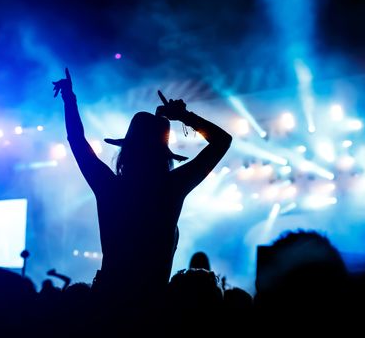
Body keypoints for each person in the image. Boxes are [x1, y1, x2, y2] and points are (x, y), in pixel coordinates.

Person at [53, 69, 232, 305]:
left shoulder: (109, 186)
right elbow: (222, 141)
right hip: (151, 305)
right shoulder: (172, 187)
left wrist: (69, 99)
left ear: (126, 152)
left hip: (107, 301)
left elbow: (76, 140)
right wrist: (184, 116)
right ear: (164, 156)